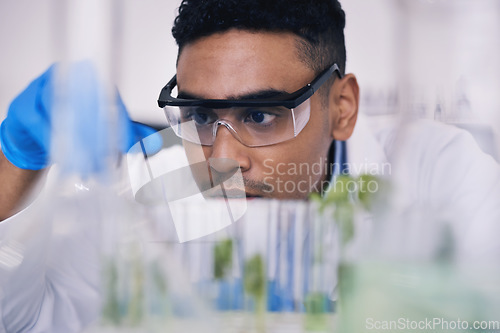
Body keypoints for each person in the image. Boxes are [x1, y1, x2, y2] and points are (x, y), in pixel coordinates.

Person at [0, 0, 499, 331]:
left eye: (261, 115)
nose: (222, 160)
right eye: (199, 115)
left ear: (342, 107)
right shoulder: (156, 184)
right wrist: (15, 160)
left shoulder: (441, 173)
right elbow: (28, 318)